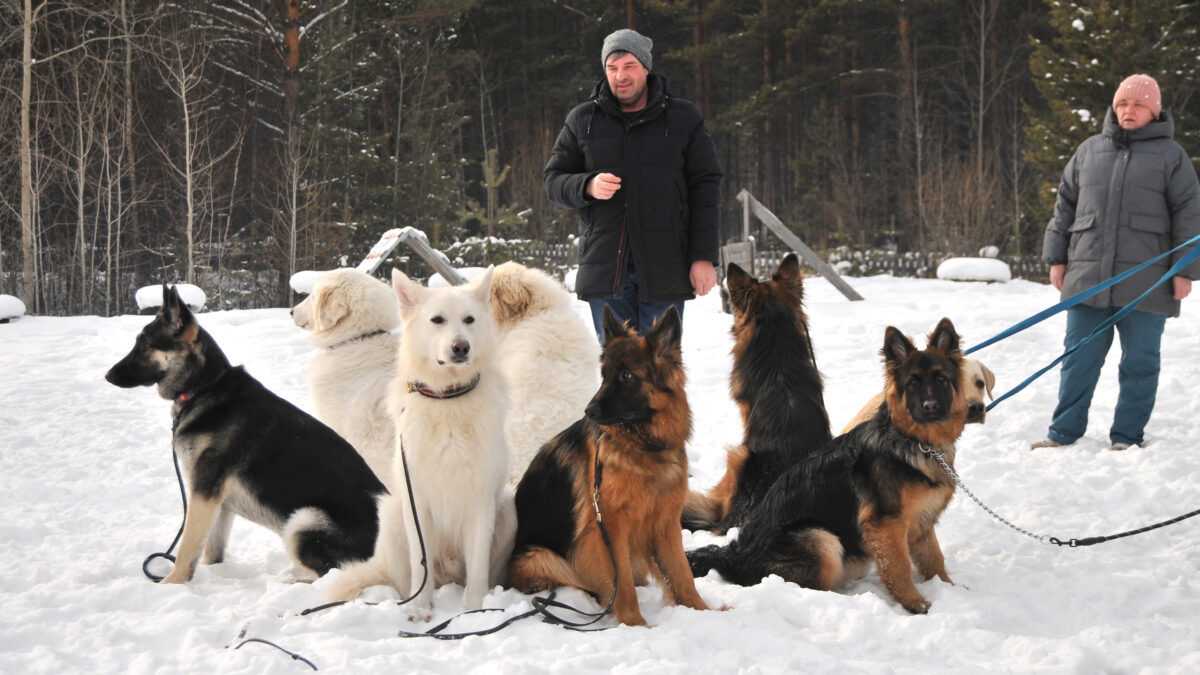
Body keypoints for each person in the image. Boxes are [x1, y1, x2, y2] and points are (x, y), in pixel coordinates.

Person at [1033, 74, 1200, 452]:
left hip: (1149, 282)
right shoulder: (1089, 151)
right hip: (1088, 277)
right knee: (1077, 360)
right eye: (1123, 103)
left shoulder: (1172, 157)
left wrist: (1186, 269)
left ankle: (1126, 436)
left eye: (1139, 105)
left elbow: (1190, 216)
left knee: (1140, 364)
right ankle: (1064, 432)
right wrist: (1056, 258)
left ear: (1154, 112)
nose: (1129, 110)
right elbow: (1064, 209)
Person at [545, 28, 723, 339]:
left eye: (629, 66)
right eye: (612, 68)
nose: (620, 76)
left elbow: (705, 189)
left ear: (646, 67)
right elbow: (553, 181)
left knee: (661, 376)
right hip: (606, 272)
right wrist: (586, 185)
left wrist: (703, 257)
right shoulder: (582, 120)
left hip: (665, 268)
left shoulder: (683, 118)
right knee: (618, 377)